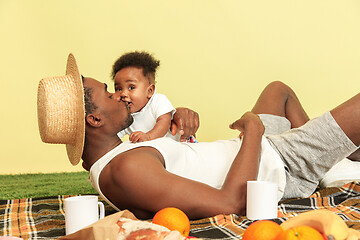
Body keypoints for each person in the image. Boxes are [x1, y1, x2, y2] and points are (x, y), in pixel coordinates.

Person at [38, 54, 359, 220]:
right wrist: (254, 132)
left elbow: (183, 163)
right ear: (93, 119)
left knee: (277, 91)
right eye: (109, 93)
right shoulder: (126, 170)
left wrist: (180, 120)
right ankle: (320, 163)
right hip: (279, 166)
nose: (119, 95)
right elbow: (230, 203)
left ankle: (327, 160)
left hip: (265, 151)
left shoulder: (119, 157)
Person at [111, 51, 196, 143]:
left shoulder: (158, 101)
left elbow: (165, 123)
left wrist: (148, 136)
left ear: (150, 91)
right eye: (118, 89)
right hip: (158, 152)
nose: (123, 94)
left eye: (131, 87)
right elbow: (112, 135)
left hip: (181, 143)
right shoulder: (124, 115)